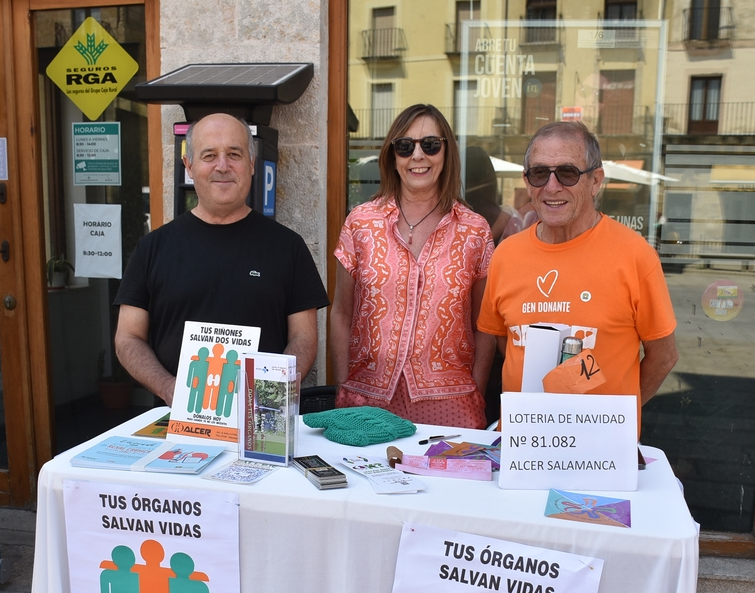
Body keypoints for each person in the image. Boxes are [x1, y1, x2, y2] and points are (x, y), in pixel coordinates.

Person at [114, 113, 330, 404]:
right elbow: (128, 338)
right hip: (177, 420)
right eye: (209, 155)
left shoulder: (288, 247)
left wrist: (271, 393)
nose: (223, 166)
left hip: (262, 416)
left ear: (252, 164)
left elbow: (304, 338)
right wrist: (168, 388)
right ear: (189, 166)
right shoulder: (152, 248)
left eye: (234, 154)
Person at [477, 121, 678, 430]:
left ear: (595, 181)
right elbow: (508, 342)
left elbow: (663, 357)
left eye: (568, 173)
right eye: (540, 173)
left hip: (600, 453)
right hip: (524, 446)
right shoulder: (506, 255)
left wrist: (615, 416)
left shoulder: (634, 255)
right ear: (527, 181)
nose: (552, 186)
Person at [331, 104, 496, 430]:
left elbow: (485, 325)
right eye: (405, 147)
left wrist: (475, 392)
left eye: (430, 145)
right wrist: (343, 387)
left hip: (452, 406)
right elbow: (341, 313)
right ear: (393, 156)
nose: (417, 156)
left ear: (446, 152)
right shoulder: (361, 223)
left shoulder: (474, 230)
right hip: (366, 400)